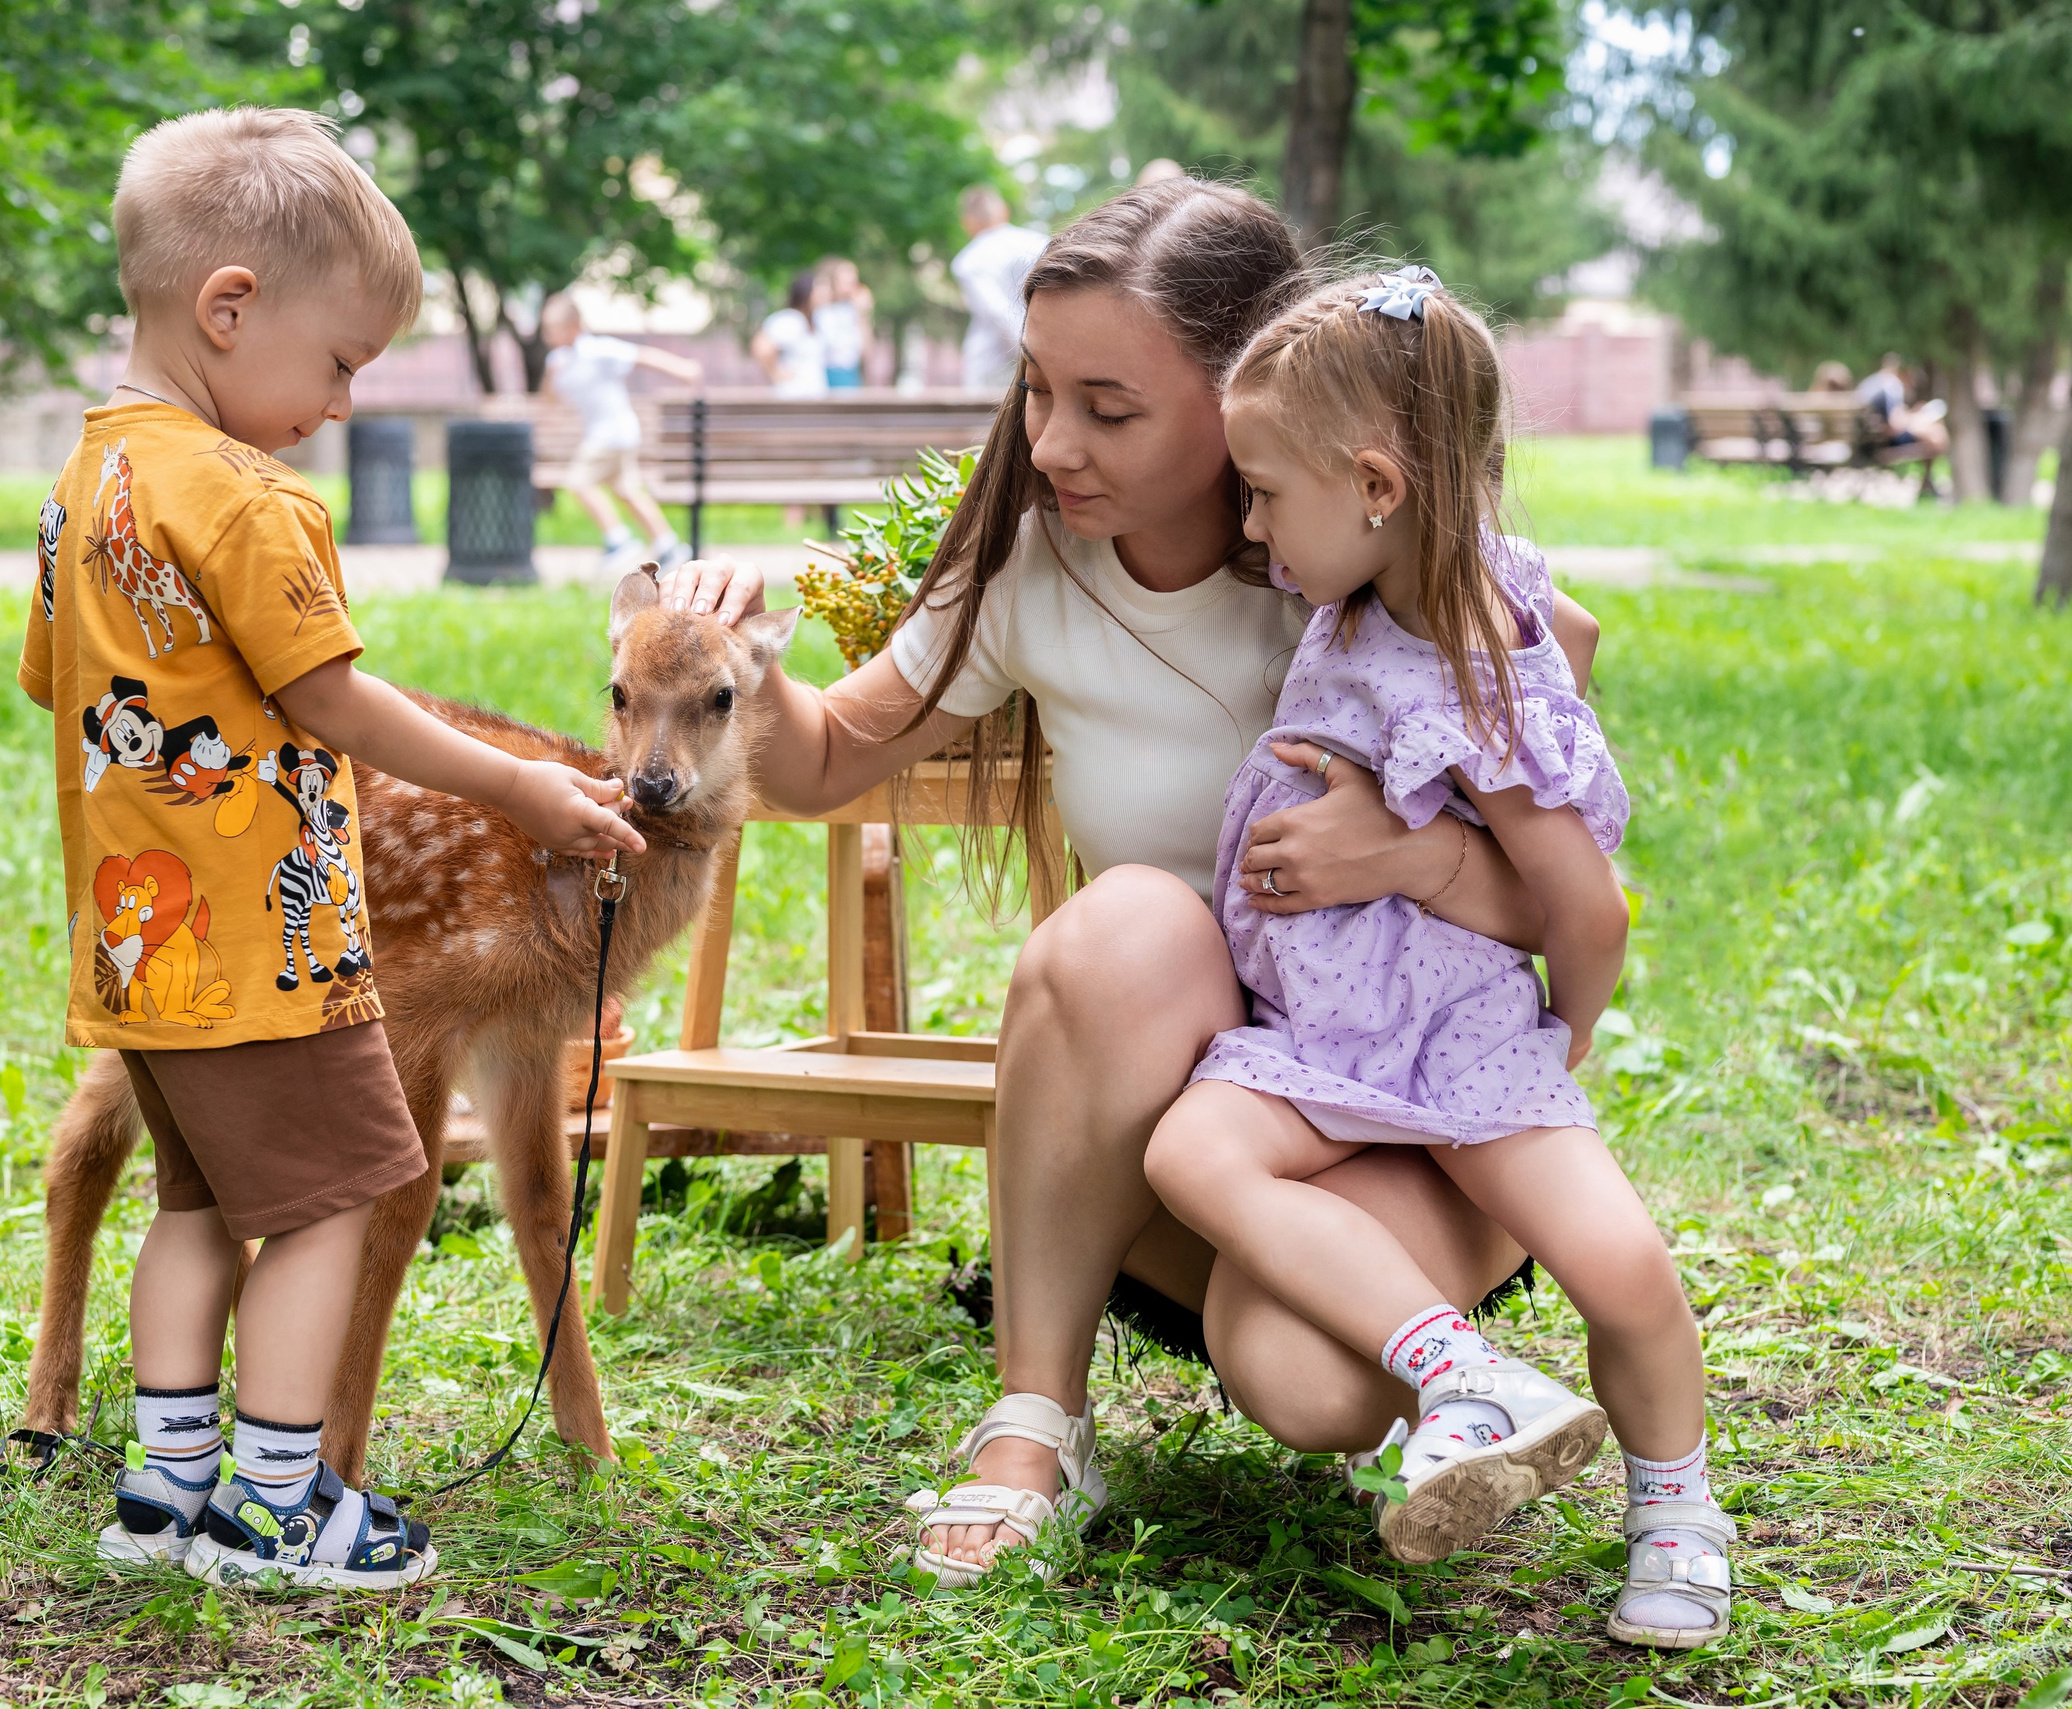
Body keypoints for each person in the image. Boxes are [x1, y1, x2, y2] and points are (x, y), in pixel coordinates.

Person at [657, 177, 1600, 1597]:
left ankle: (1424, 1344)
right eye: (1039, 391)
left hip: (1413, 1104)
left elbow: (1569, 913)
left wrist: (1415, 859)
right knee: (1135, 922)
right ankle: (1035, 1420)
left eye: (1109, 407)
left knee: (1310, 1385)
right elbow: (830, 757)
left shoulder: (1409, 588)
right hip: (1201, 1131)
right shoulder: (1033, 561)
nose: (1050, 444)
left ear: (1252, 397)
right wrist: (741, 667)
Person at [21, 107, 642, 1592]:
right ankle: (279, 1505)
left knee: (194, 1206)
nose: (345, 404)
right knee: (333, 1200)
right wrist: (525, 785)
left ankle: (164, 1493)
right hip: (267, 946)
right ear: (229, 308)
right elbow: (337, 701)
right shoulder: (249, 495)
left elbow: (60, 686)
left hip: (142, 949)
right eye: (342, 362)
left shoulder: (84, 487)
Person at [1141, 264, 1726, 1649]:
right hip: (1323, 1031)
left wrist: (1562, 1038)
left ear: (1376, 488)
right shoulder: (1382, 593)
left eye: (1264, 494)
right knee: (1189, 1150)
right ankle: (1461, 1371)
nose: (1250, 525)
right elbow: (1556, 611)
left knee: (1623, 1268)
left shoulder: (1473, 674)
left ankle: (1678, 1507)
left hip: (1453, 1035)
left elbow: (1588, 908)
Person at [539, 294, 702, 574]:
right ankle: (668, 546)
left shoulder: (597, 350)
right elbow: (550, 398)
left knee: (578, 481)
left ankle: (619, 541)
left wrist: (683, 369)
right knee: (627, 490)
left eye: (554, 330)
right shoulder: (559, 360)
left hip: (611, 434)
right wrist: (552, 375)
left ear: (574, 326)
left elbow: (643, 356)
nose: (548, 337)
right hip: (611, 434)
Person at [952, 185, 1049, 394]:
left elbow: (996, 312)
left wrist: (1028, 355)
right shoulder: (1039, 244)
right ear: (1004, 210)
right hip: (1044, 355)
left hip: (992, 365)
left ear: (967, 222)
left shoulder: (969, 260)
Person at [752, 272, 829, 399]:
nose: (826, 292)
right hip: (793, 397)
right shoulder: (791, 319)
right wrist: (774, 373)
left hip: (811, 397)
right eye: (820, 288)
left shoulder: (816, 320)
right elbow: (762, 346)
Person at [815, 256, 874, 389]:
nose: (851, 283)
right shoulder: (820, 311)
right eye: (846, 279)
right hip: (823, 373)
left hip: (848, 373)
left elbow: (865, 352)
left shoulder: (854, 311)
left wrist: (863, 315)